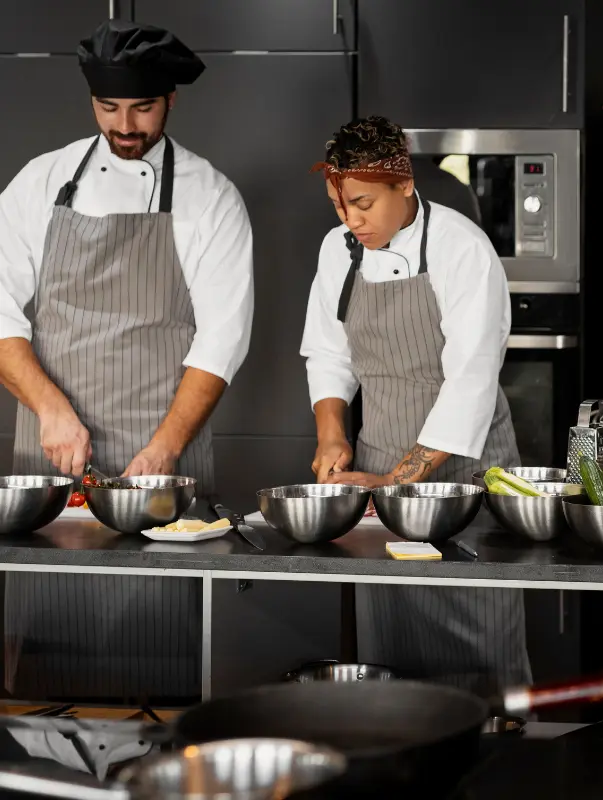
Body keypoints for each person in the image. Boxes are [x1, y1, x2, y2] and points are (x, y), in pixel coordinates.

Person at [0, 20, 254, 701]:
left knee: (162, 647)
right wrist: (50, 409)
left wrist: (166, 447)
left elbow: (223, 337)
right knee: (48, 650)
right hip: (51, 454)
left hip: (161, 454)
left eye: (141, 108)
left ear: (171, 100)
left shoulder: (209, 196)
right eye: (108, 108)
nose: (125, 125)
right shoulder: (41, 182)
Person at [301, 116, 530, 694]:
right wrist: (332, 434)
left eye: (362, 204)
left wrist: (395, 483)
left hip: (466, 479)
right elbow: (327, 353)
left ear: (404, 184)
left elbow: (471, 381)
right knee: (392, 641)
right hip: (380, 471)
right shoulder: (338, 250)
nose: (351, 221)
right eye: (338, 206)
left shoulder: (461, 247)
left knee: (481, 636)